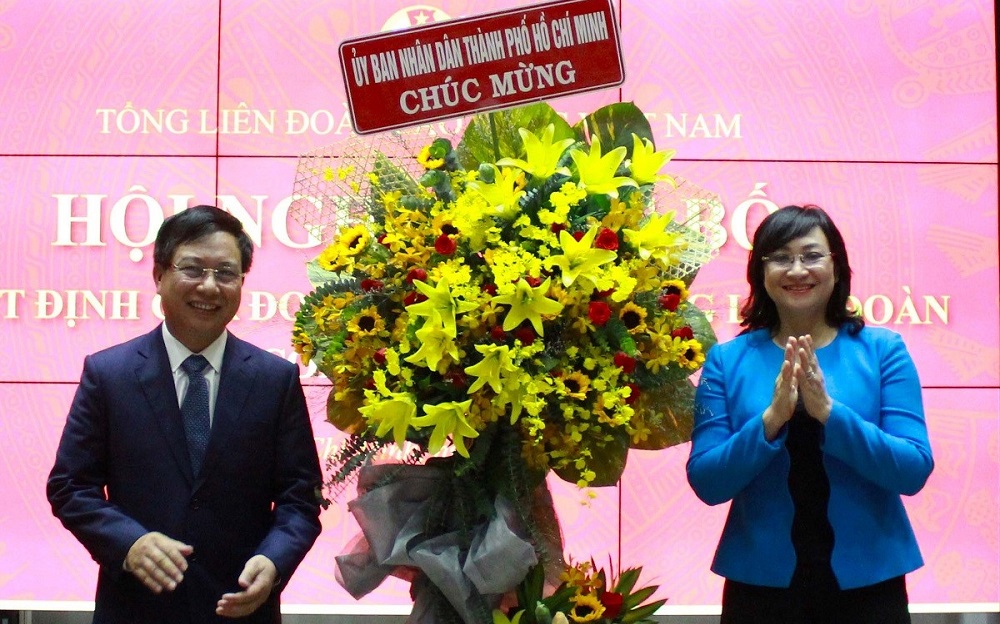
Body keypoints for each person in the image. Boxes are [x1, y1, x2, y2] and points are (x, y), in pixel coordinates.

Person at [47, 205, 324, 624]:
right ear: (159, 275)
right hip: (136, 608)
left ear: (242, 282)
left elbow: (299, 499)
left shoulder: (274, 379)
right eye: (192, 269)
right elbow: (70, 486)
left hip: (240, 607)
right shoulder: (110, 375)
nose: (209, 287)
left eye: (226, 273)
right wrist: (129, 543)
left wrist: (274, 561)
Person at [686, 204, 933, 623]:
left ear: (837, 267)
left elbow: (913, 470)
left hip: (871, 583)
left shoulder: (884, 351)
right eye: (781, 257)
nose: (797, 270)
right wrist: (770, 420)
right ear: (760, 272)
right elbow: (707, 482)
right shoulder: (725, 361)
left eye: (812, 255)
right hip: (759, 588)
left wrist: (830, 414)